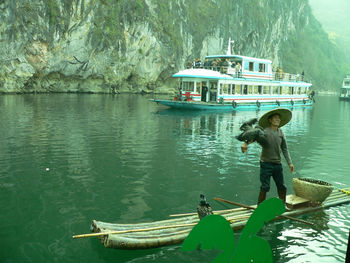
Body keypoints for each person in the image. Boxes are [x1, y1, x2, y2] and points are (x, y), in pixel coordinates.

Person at [240, 108, 294, 206]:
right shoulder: (265, 131)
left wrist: (290, 163)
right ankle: (260, 206)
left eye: (279, 118)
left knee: (282, 186)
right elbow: (254, 138)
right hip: (266, 164)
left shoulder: (281, 133)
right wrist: (245, 144)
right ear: (270, 120)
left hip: (278, 164)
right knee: (265, 187)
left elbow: (285, 149)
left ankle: (282, 205)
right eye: (275, 118)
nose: (278, 120)